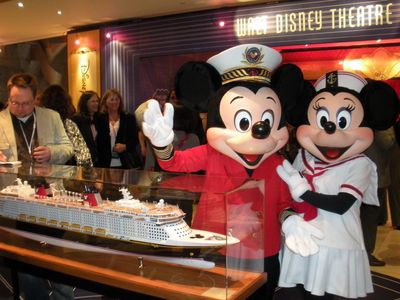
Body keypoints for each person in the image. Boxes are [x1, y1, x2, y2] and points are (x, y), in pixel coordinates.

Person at [142, 44, 321, 300]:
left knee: (262, 294)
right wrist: (161, 144)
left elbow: (283, 202)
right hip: (217, 244)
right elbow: (174, 163)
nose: (258, 132)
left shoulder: (277, 163)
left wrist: (290, 220)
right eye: (244, 122)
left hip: (264, 249)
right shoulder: (212, 153)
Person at [277, 71, 399, 299]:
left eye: (342, 120)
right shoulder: (304, 156)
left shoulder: (360, 164)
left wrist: (304, 192)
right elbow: (287, 195)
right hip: (303, 242)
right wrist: (289, 217)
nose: (330, 129)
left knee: (327, 294)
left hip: (336, 244)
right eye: (322, 120)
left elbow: (342, 204)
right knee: (298, 292)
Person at [0, 73, 74, 299]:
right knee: (25, 257)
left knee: (55, 252)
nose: (19, 108)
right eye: (14, 102)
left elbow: (68, 148)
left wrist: (52, 152)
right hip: (14, 201)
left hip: (50, 196)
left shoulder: (51, 117)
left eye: (25, 103)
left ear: (35, 100)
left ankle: (63, 294)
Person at [362, 127, 396, 266]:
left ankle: (363, 252)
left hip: (365, 174)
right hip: (374, 175)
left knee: (365, 216)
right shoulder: (381, 121)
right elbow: (387, 141)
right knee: (369, 217)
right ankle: (366, 253)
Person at [40, 84, 93, 168]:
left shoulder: (41, 123)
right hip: (67, 172)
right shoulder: (68, 124)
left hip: (44, 171)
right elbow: (83, 156)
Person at [96, 88, 142, 169]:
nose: (115, 102)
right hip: (104, 162)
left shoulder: (128, 118)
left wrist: (125, 146)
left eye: (117, 99)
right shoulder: (99, 118)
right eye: (112, 99)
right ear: (105, 102)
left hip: (125, 162)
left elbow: (135, 140)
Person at [71, 90, 100, 166]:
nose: (96, 104)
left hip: (98, 162)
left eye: (97, 101)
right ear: (85, 103)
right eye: (93, 101)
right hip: (83, 162)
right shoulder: (76, 119)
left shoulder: (99, 119)